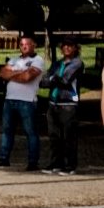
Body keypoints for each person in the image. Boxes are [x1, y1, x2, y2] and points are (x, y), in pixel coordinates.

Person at [0, 35, 45, 171]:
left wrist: (12, 73)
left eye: (27, 44)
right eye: (21, 44)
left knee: (30, 132)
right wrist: (19, 72)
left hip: (27, 101)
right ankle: (3, 158)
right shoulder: (14, 59)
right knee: (7, 131)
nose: (23, 46)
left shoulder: (38, 60)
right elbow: (2, 73)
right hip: (10, 99)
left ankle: (33, 162)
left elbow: (27, 77)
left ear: (33, 45)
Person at [40, 37, 85, 175]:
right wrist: (52, 79)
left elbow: (65, 80)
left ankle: (70, 164)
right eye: (64, 45)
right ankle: (56, 163)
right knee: (54, 136)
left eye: (70, 46)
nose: (66, 48)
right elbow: (43, 82)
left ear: (75, 48)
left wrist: (52, 78)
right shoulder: (57, 64)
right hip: (53, 102)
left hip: (68, 103)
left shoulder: (77, 63)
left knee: (68, 136)